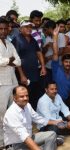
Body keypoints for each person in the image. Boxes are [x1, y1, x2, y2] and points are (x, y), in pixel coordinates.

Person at [3, 85, 60, 150]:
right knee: (44, 146)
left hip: (30, 138)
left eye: (27, 96)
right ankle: (48, 145)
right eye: (21, 96)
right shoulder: (11, 113)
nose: (25, 98)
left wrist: (55, 122)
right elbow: (24, 136)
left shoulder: (27, 105)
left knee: (52, 134)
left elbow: (37, 118)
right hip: (16, 146)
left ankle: (46, 146)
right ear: (14, 98)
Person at [12, 20, 46, 110]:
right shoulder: (16, 39)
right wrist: (22, 75)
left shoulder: (32, 39)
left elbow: (39, 53)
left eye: (30, 27)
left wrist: (43, 67)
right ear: (21, 29)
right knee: (23, 96)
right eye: (26, 27)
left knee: (34, 95)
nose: (29, 29)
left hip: (34, 72)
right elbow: (16, 59)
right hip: (23, 74)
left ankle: (33, 115)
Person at [0, 17, 21, 148]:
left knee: (14, 112)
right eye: (0, 29)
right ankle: (1, 142)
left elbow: (18, 61)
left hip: (12, 81)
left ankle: (12, 140)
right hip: (1, 83)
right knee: (1, 114)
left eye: (4, 28)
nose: (2, 31)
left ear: (9, 29)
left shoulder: (10, 43)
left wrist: (7, 61)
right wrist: (9, 60)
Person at [51, 26, 70, 113]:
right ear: (62, 62)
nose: (68, 64)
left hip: (66, 101)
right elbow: (55, 53)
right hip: (55, 101)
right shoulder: (57, 69)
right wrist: (55, 37)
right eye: (66, 62)